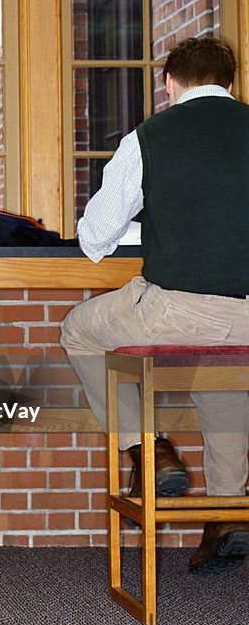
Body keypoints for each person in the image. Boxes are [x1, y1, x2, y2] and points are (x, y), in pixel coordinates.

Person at [61, 35, 249, 575]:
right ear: (230, 85)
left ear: (170, 84)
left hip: (180, 310)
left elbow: (95, 237)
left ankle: (148, 451)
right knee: (225, 375)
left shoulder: (148, 138)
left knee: (79, 329)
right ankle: (228, 513)